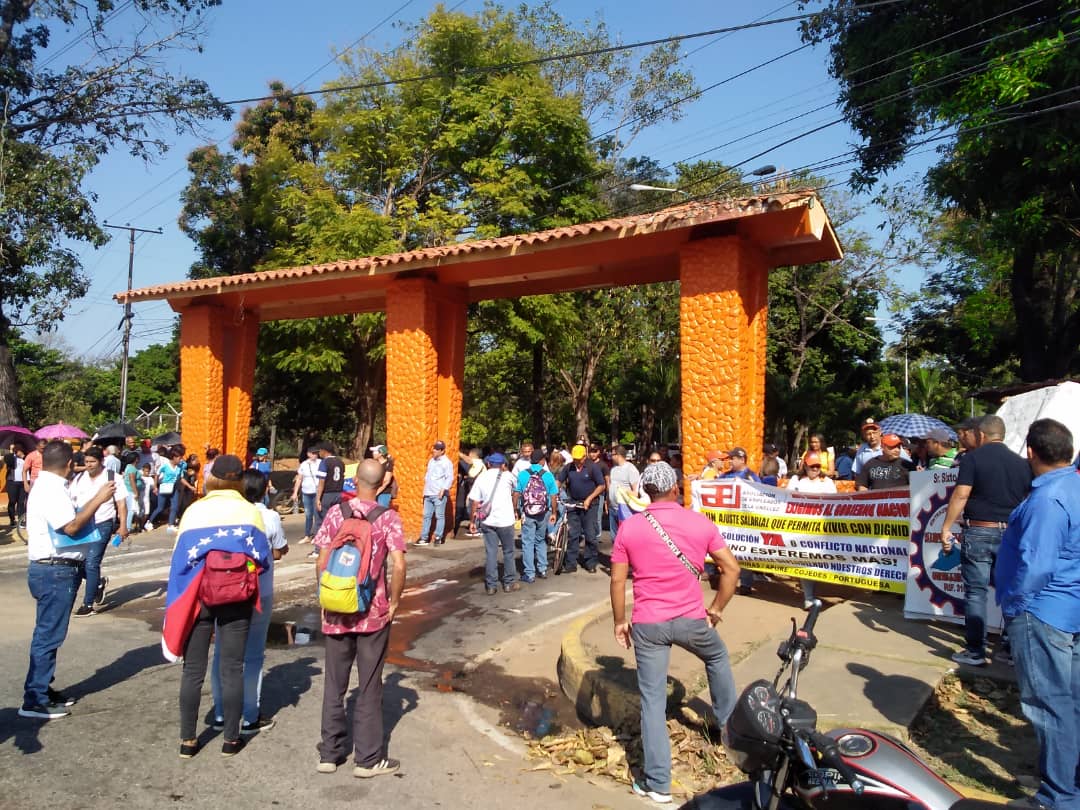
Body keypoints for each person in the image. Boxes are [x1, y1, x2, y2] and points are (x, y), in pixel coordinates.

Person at [609, 461, 740, 804]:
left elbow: (618, 580)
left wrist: (620, 622)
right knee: (717, 656)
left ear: (645, 492)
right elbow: (731, 569)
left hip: (649, 625)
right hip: (692, 620)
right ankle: (730, 732)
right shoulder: (699, 522)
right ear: (675, 490)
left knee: (652, 701)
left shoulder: (630, 528)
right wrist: (717, 610)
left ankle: (657, 784)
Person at [994, 419, 1080, 810]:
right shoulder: (1073, 486)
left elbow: (1038, 564)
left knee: (1050, 705)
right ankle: (1063, 779)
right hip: (1066, 608)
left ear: (1030, 451)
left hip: (1041, 610)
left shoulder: (1048, 499)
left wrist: (1014, 603)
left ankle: (1058, 796)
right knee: (1069, 703)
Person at [163, 454, 270, 759]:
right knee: (232, 667)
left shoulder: (195, 510)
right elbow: (261, 559)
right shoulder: (250, 512)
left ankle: (188, 740)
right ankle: (231, 740)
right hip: (236, 597)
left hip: (198, 596)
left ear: (211, 478)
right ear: (238, 479)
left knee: (193, 669)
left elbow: (179, 559)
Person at [314, 459, 407, 776]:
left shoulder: (335, 513)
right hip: (372, 612)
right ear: (381, 485)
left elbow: (322, 559)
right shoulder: (388, 518)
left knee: (334, 683)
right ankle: (367, 760)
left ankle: (329, 753)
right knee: (369, 685)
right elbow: (399, 565)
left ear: (354, 482)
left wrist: (326, 594)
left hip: (336, 608)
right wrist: (393, 603)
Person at [19, 441, 116, 719]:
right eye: (76, 463)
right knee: (48, 635)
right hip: (55, 570)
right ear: (67, 464)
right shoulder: (51, 490)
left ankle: (41, 688)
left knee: (49, 633)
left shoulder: (51, 487)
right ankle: (34, 698)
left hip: (56, 569)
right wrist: (98, 499)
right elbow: (71, 527)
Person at [941, 414, 1032, 667]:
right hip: (1011, 535)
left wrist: (946, 526)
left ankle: (975, 651)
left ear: (981, 435)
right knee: (1011, 592)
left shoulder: (972, 459)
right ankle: (1011, 650)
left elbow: (961, 495)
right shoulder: (1022, 463)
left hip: (978, 531)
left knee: (976, 593)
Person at [210, 470, 288, 735]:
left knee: (223, 652)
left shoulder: (225, 513)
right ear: (265, 489)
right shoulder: (269, 516)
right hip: (259, 592)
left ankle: (220, 712)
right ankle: (249, 716)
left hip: (224, 590)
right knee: (253, 656)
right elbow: (278, 550)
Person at [69, 445, 128, 616]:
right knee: (80, 563)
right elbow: (71, 500)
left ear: (101, 461)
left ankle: (88, 605)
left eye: (92, 462)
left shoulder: (112, 478)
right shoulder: (79, 478)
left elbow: (121, 504)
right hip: (83, 524)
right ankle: (98, 584)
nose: (89, 465)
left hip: (103, 523)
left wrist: (123, 525)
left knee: (92, 562)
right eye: (86, 462)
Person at [787, 453, 837, 609]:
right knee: (806, 560)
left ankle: (813, 593)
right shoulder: (796, 480)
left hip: (821, 527)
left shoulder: (827, 482)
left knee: (817, 561)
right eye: (812, 466)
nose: (815, 469)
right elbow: (787, 497)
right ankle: (808, 597)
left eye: (817, 466)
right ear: (805, 466)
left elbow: (835, 503)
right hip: (800, 527)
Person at [469, 453, 520, 593]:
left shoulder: (481, 477)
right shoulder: (509, 476)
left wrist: (472, 521)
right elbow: (518, 490)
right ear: (503, 465)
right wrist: (515, 507)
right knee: (508, 551)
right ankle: (509, 583)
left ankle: (491, 586)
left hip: (488, 520)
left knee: (491, 552)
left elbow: (474, 501)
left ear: (488, 464)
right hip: (506, 520)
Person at [556, 443, 606, 574]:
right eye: (575, 459)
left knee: (590, 535)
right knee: (573, 535)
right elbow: (559, 481)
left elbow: (601, 485)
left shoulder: (592, 467)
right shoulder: (569, 467)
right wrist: (555, 491)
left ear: (585, 457)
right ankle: (570, 563)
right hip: (574, 503)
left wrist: (589, 498)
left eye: (579, 459)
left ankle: (590, 562)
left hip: (590, 505)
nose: (577, 461)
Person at [516, 448, 558, 583]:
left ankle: (529, 573)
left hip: (527, 512)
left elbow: (516, 493)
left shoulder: (523, 475)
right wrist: (554, 512)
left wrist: (516, 510)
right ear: (542, 460)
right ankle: (543, 569)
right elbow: (553, 496)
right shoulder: (548, 475)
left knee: (527, 542)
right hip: (543, 512)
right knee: (540, 540)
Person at [417, 439, 454, 546]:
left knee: (439, 516)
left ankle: (438, 536)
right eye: (434, 448)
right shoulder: (432, 460)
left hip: (438, 494)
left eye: (437, 449)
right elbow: (428, 475)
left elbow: (449, 477)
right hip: (428, 493)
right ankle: (424, 537)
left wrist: (443, 489)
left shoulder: (446, 462)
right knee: (427, 516)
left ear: (442, 451)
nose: (434, 450)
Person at [607, 444, 642, 538]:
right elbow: (611, 486)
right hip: (613, 508)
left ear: (618, 455)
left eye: (612, 454)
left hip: (624, 509)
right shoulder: (613, 469)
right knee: (614, 537)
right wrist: (607, 502)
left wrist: (623, 491)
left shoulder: (631, 469)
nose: (611, 457)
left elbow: (636, 492)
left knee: (625, 537)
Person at [314, 441, 345, 539]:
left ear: (324, 451)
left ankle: (319, 548)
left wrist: (318, 498)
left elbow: (321, 481)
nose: (319, 453)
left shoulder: (325, 462)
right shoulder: (340, 462)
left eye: (319, 451)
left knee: (321, 520)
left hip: (327, 494)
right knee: (336, 519)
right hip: (339, 493)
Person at [292, 446, 320, 542]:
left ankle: (317, 535)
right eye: (313, 453)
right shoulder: (304, 464)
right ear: (308, 454)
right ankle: (307, 535)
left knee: (317, 514)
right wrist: (295, 492)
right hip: (306, 492)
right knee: (308, 514)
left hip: (316, 492)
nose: (315, 455)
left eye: (316, 453)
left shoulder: (320, 463)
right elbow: (299, 478)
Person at [454, 447, 483, 537]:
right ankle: (477, 527)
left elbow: (469, 460)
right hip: (476, 489)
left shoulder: (478, 462)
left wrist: (459, 454)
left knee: (473, 509)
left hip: (478, 490)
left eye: (469, 454)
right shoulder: (477, 465)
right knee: (475, 509)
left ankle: (477, 528)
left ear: (473, 455)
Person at [4, 445, 25, 529]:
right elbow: (8, 461)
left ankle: (21, 521)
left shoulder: (25, 456)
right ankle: (12, 520)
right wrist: (13, 453)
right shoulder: (9, 457)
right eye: (15, 449)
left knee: (21, 502)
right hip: (12, 482)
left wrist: (23, 456)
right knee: (12, 501)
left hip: (22, 482)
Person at [370, 444, 396, 508]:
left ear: (380, 454)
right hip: (374, 492)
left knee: (381, 512)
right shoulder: (375, 464)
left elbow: (386, 481)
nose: (373, 453)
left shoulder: (388, 464)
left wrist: (377, 492)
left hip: (384, 493)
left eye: (375, 452)